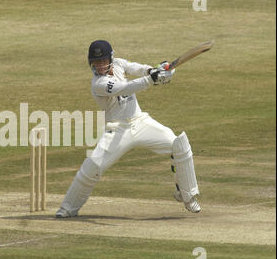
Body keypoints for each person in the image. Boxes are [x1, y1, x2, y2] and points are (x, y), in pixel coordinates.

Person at [56, 40, 201, 218]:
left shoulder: (118, 64)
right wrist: (152, 79)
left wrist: (155, 69)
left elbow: (137, 69)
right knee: (92, 167)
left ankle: (187, 196)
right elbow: (125, 87)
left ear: (110, 58)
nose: (100, 66)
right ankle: (67, 209)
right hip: (117, 130)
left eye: (103, 61)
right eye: (96, 62)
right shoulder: (98, 83)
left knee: (179, 145)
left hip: (140, 122)